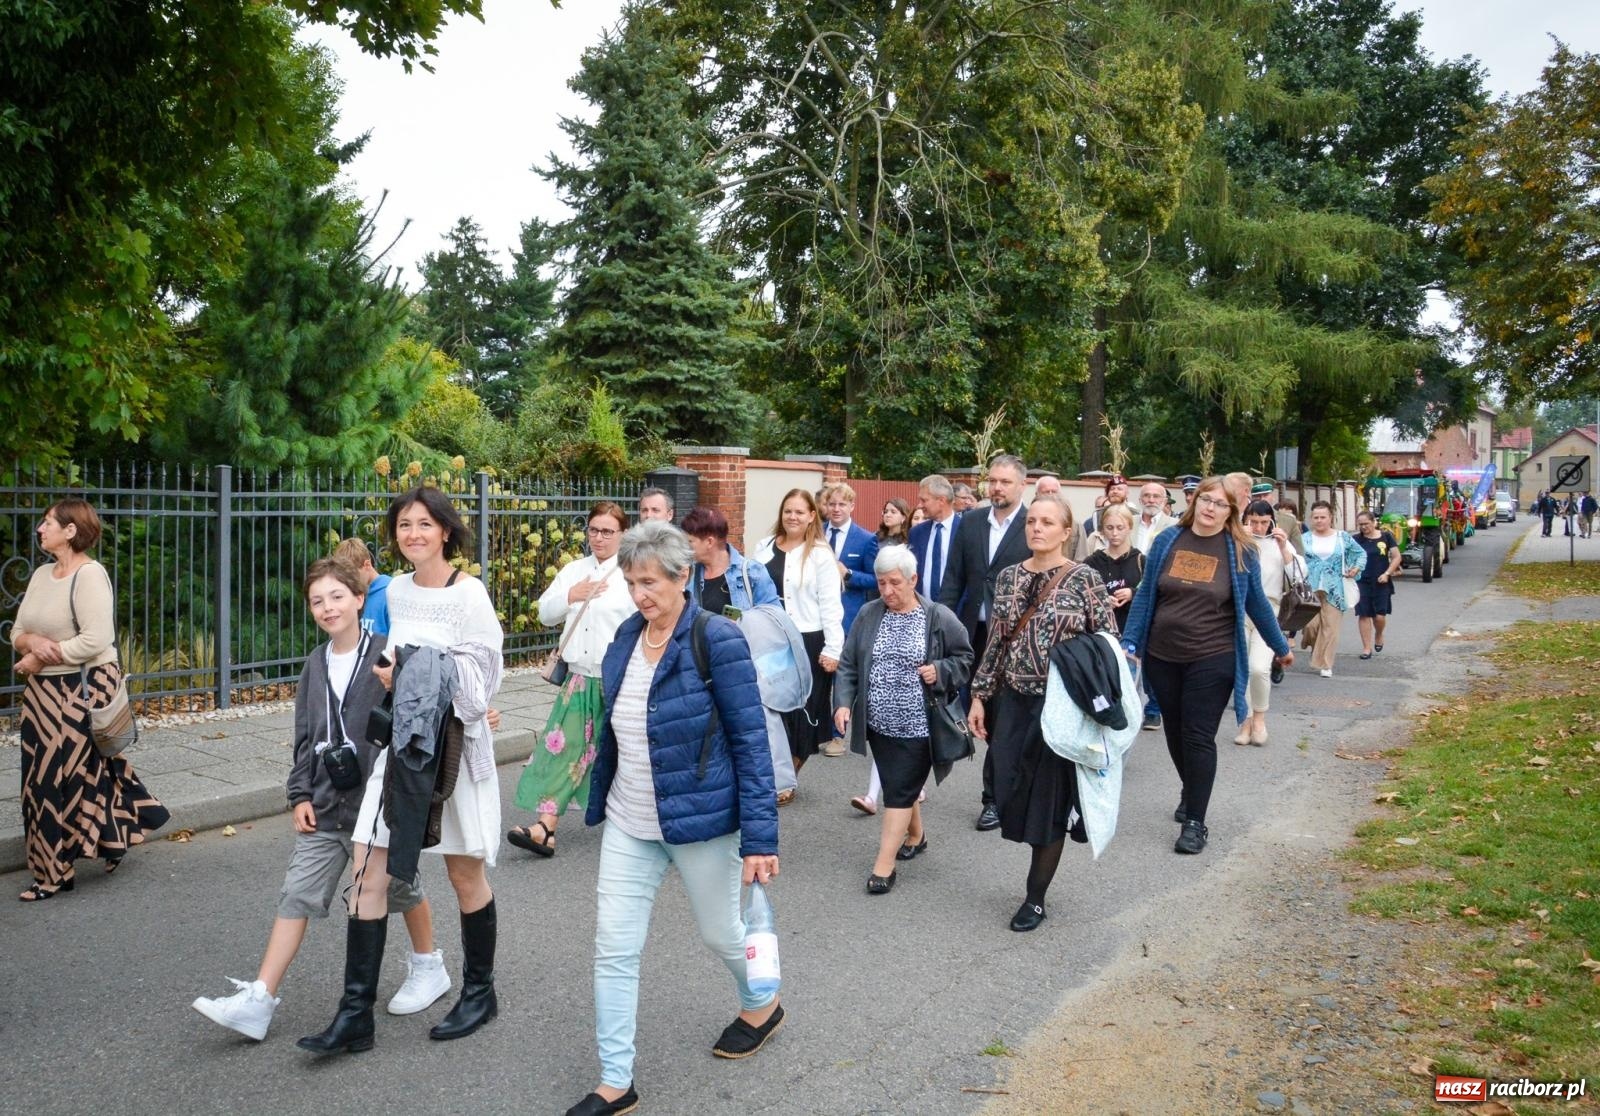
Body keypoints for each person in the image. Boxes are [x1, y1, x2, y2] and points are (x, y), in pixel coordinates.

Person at [564, 521, 781, 1116]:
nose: (640, 594)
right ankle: (615, 1080)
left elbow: (751, 743)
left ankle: (761, 999)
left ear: (683, 577)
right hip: (630, 822)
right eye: (632, 582)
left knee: (720, 932)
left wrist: (761, 837)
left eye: (651, 582)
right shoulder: (624, 639)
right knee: (614, 947)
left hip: (701, 821)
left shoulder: (717, 640)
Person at [192, 558, 447, 1039]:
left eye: (336, 597)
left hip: (376, 804)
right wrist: (299, 794)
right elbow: (305, 737)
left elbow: (421, 714)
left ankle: (428, 964)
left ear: (357, 599)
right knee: (297, 892)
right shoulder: (314, 663)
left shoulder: (387, 657)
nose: (327, 608)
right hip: (328, 802)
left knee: (401, 887)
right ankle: (260, 1000)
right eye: (316, 601)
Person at [299, 486, 504, 1054]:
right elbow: (387, 656)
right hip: (401, 750)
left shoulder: (470, 595)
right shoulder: (400, 592)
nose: (413, 534)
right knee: (368, 872)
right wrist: (396, 673)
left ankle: (480, 991)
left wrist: (409, 671)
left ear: (445, 530)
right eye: (404, 525)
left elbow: (482, 680)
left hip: (454, 752)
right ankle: (354, 1015)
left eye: (424, 524)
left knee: (464, 877)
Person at [967, 493, 1118, 931]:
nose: (1037, 528)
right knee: (1008, 786)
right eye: (1032, 520)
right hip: (1014, 702)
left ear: (1067, 531)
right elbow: (997, 640)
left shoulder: (1085, 579)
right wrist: (980, 695)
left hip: (1062, 706)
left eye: (1047, 522)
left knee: (1046, 802)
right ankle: (1069, 809)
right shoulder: (1011, 577)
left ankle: (1035, 898)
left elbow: (1107, 645)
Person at [1120, 477, 1293, 855]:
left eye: (1220, 504)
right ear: (1195, 502)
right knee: (1176, 733)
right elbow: (1147, 594)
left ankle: (1196, 822)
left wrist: (1279, 645)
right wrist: (1130, 642)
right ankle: (1191, 788)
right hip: (1162, 657)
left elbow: (1257, 603)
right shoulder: (1167, 541)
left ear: (1232, 512)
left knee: (1198, 736)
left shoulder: (1240, 549)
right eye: (1205, 500)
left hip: (1212, 657)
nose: (1210, 508)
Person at [10, 498, 169, 901]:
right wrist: (30, 642)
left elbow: (96, 640)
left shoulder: (91, 575)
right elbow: (17, 630)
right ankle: (118, 834)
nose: (39, 529)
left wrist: (44, 653)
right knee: (50, 777)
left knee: (58, 778)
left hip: (83, 687)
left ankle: (53, 874)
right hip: (43, 693)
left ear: (70, 531)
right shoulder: (43, 574)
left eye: (47, 523)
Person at [833, 546, 972, 894]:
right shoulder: (868, 614)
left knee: (897, 792)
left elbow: (966, 659)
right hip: (879, 724)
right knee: (901, 784)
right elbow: (849, 662)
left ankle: (884, 865)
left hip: (920, 725)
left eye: (895, 583)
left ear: (914, 580)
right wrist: (843, 703)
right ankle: (916, 835)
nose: (887, 591)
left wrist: (939, 670)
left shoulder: (938, 617)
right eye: (881, 583)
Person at [509, 502, 636, 859]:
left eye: (607, 531)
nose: (598, 537)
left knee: (629, 753)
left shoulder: (631, 572)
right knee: (561, 749)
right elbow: (545, 614)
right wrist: (570, 596)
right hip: (580, 678)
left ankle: (645, 825)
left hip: (620, 680)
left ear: (622, 534)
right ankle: (544, 828)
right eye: (594, 530)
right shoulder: (574, 570)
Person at [939, 455, 1031, 833]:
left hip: (1019, 639)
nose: (997, 488)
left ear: (1021, 485)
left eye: (1005, 482)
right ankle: (992, 799)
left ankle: (1012, 792)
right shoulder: (971, 522)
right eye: (992, 481)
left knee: (1014, 717)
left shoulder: (1033, 524)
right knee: (987, 716)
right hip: (975, 635)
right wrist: (940, 624)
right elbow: (954, 578)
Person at [750, 489, 844, 793]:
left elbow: (831, 605)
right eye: (787, 511)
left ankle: (788, 776)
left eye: (799, 512)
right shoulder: (763, 547)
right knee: (773, 706)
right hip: (772, 639)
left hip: (809, 640)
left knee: (805, 710)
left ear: (812, 516)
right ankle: (774, 772)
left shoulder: (819, 554)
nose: (792, 517)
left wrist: (833, 648)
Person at [1236, 502, 1302, 747]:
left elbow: (1298, 576)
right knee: (1242, 667)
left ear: (1272, 522)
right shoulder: (1238, 541)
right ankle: (1245, 720)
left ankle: (1260, 719)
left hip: (1268, 610)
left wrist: (1284, 546)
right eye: (1253, 521)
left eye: (1264, 522)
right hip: (1240, 611)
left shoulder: (1278, 543)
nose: (1259, 527)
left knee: (1259, 668)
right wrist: (1240, 538)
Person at [1298, 500, 1366, 679]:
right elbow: (1294, 559)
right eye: (1316, 517)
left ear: (1330, 518)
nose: (1319, 521)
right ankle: (1314, 646)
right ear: (1311, 519)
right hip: (1309, 587)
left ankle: (1326, 664)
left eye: (1323, 517)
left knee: (1330, 627)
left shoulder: (1342, 538)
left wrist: (1356, 568)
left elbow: (1360, 554)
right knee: (1310, 626)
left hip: (1335, 588)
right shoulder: (1304, 539)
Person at [683, 506, 781, 615]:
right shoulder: (687, 573)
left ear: (709, 542)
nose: (686, 546)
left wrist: (743, 621)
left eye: (690, 541)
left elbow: (774, 617)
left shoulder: (753, 572)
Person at [1084, 504, 1143, 632]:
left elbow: (1151, 593)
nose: (1114, 533)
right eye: (1109, 528)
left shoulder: (1141, 561)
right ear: (1103, 530)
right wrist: (1101, 601)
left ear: (1129, 528)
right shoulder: (1092, 562)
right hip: (1099, 632)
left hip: (1131, 630)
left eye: (1120, 528)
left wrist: (1133, 593)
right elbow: (1081, 597)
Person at [1352, 510, 1400, 660]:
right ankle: (1366, 648)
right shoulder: (1356, 540)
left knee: (1379, 616)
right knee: (1364, 614)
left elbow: (1396, 556)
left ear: (1374, 522)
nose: (1364, 527)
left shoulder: (1386, 537)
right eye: (1361, 525)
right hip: (1361, 581)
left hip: (1381, 581)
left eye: (1366, 524)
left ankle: (1379, 634)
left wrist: (1387, 573)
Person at [334, 537, 392, 635]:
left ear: (367, 565)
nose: (349, 583)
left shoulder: (390, 592)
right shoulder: (352, 594)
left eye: (353, 576)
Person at [1073, 474, 1130, 560]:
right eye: (1112, 489)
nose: (1115, 491)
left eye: (1119, 489)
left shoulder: (1134, 515)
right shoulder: (1098, 515)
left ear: (1127, 493)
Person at [1132, 481, 1178, 553]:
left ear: (1165, 501)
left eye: (1156, 496)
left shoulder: (1175, 525)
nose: (1151, 500)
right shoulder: (1128, 522)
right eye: (1146, 495)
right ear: (1140, 500)